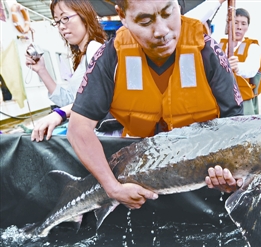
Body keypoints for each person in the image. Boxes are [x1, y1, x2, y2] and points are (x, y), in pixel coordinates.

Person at [67, 0, 244, 210]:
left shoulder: (208, 51)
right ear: (122, 16)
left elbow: (237, 130)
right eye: (144, 20)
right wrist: (113, 188)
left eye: (168, 12)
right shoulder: (111, 56)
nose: (161, 31)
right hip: (137, 180)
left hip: (201, 181)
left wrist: (233, 179)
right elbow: (78, 128)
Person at [28, 0, 111, 142]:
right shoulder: (82, 56)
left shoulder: (94, 49)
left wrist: (59, 113)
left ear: (84, 16)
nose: (61, 27)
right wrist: (41, 70)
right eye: (57, 22)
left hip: (103, 138)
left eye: (65, 18)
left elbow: (99, 99)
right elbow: (71, 101)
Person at [220, 8, 261, 115]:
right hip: (221, 98)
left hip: (244, 98)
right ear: (229, 24)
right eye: (235, 23)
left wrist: (237, 67)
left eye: (243, 24)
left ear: (247, 27)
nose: (239, 27)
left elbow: (251, 69)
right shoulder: (219, 46)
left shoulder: (253, 47)